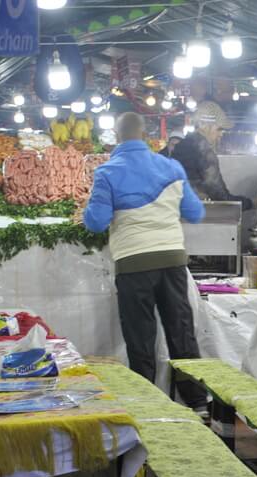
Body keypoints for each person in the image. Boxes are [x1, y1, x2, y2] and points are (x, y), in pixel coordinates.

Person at [82, 112, 207, 411]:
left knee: (141, 338)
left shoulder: (108, 172)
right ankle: (198, 403)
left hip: (133, 263)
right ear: (146, 135)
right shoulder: (172, 167)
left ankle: (147, 406)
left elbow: (96, 223)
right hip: (173, 260)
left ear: (116, 135)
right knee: (181, 332)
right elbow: (195, 212)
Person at [171, 110, 252, 209]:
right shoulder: (204, 151)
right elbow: (220, 196)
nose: (221, 134)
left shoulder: (180, 146)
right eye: (219, 129)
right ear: (203, 126)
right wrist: (248, 203)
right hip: (196, 213)